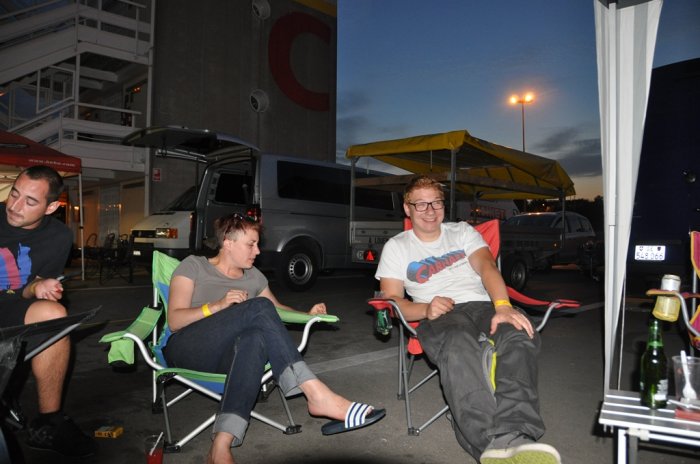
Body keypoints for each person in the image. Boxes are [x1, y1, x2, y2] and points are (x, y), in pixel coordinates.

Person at [164, 213, 386, 464]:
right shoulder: (194, 266)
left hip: (225, 356)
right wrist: (217, 305)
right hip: (188, 348)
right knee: (257, 307)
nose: (257, 251)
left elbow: (275, 310)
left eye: (257, 244)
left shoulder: (253, 276)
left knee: (254, 340)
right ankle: (317, 395)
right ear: (228, 242)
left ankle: (220, 445)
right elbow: (175, 320)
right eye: (251, 244)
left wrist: (306, 315)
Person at [375, 175, 560, 464]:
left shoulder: (462, 231)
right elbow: (392, 301)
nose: (430, 210)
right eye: (420, 204)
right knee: (459, 345)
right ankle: (489, 444)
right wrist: (425, 309)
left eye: (436, 203)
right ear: (407, 208)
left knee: (519, 332)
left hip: (482, 304)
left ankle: (514, 433)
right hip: (438, 314)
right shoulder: (397, 247)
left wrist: (503, 306)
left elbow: (487, 267)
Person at [0, 165, 96, 457]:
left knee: (54, 314)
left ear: (51, 207)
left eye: (30, 201)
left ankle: (49, 423)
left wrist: (40, 287)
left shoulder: (58, 236)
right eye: (14, 194)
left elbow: (28, 288)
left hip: (11, 307)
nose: (15, 206)